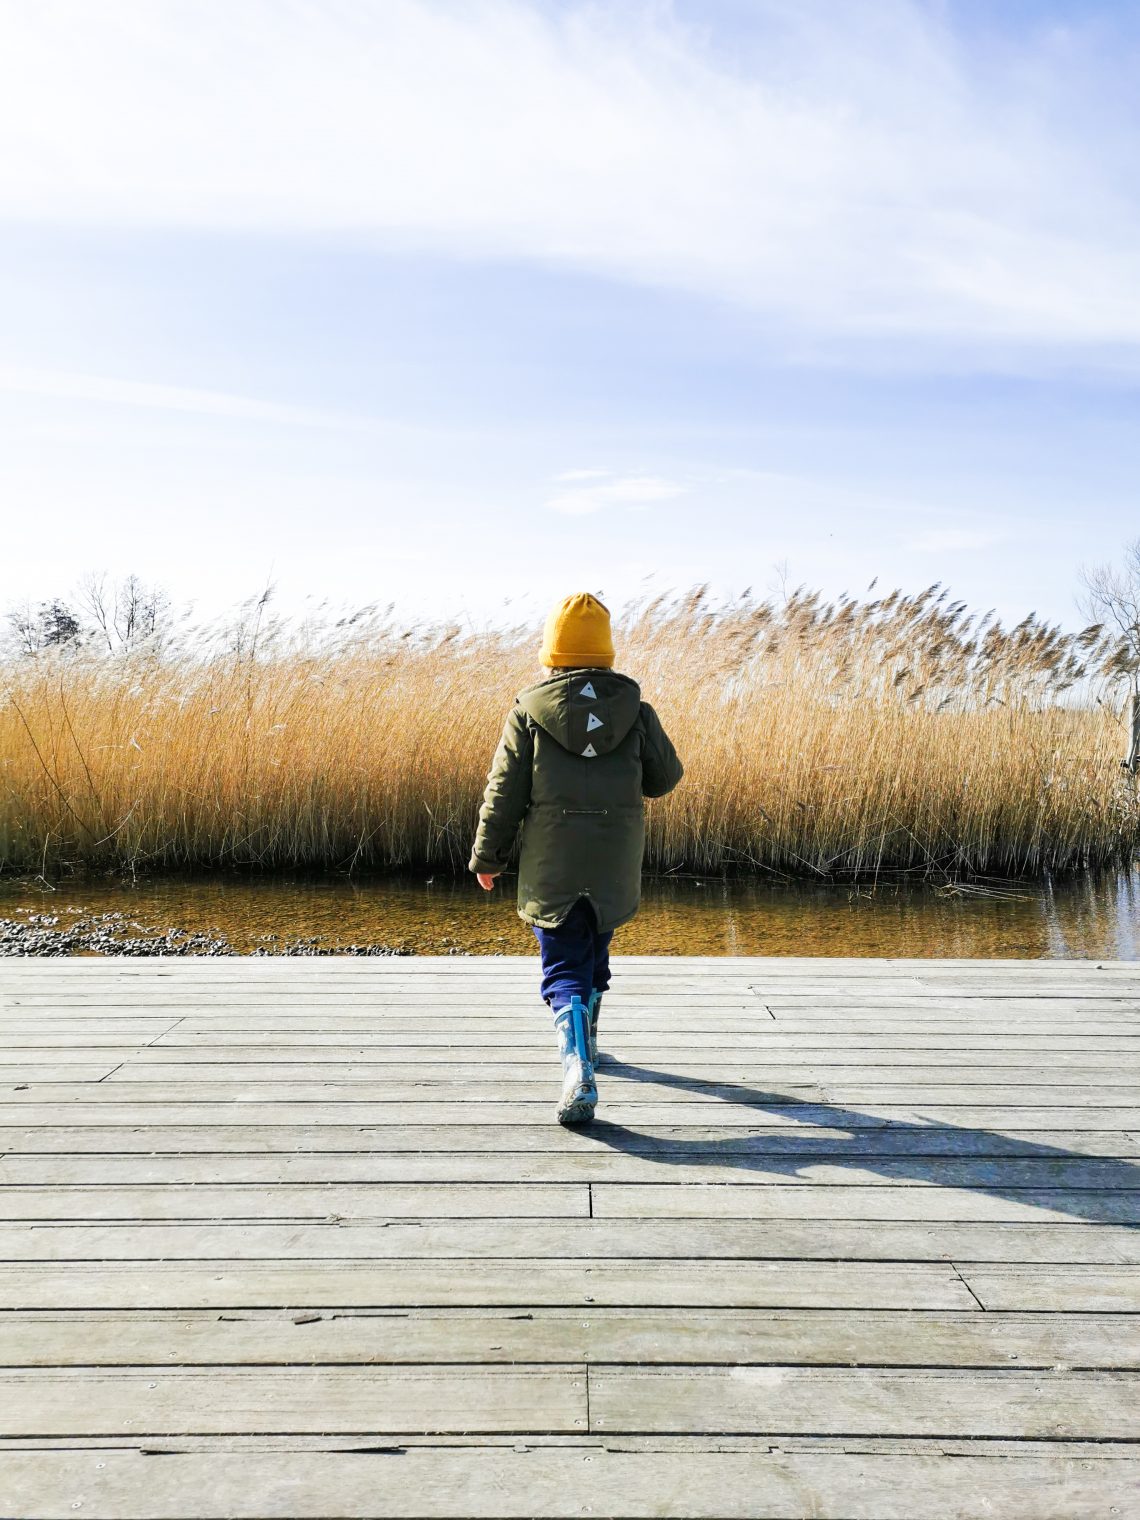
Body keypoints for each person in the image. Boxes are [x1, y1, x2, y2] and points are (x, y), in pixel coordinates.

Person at [469, 592, 684, 1125]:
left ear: (552, 654)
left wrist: (487, 858)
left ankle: (576, 1065)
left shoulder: (528, 713)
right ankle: (589, 1044)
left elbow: (504, 793)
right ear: (606, 653)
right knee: (595, 948)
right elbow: (664, 780)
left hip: (554, 860)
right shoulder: (636, 711)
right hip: (613, 858)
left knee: (563, 960)